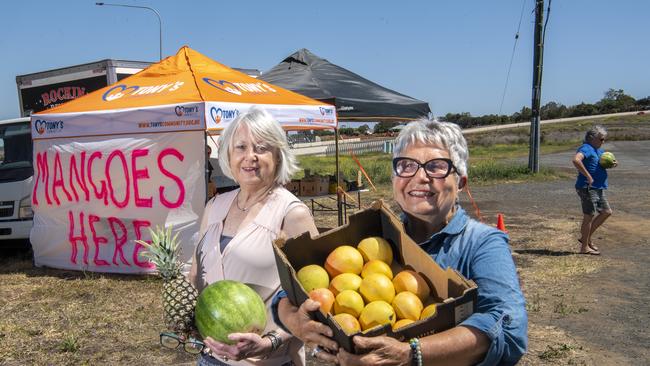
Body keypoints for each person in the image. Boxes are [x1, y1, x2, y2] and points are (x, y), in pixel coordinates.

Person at [273, 119, 528, 365]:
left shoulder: (482, 244)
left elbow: (509, 330)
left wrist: (411, 355)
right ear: (395, 179)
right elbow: (289, 293)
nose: (420, 177)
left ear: (460, 182)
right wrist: (295, 321)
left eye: (436, 166)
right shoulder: (375, 240)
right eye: (407, 165)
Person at [189, 107, 319, 366]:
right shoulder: (215, 206)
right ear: (228, 154)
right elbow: (196, 275)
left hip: (270, 361)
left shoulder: (291, 213)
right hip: (209, 359)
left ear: (278, 155)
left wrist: (270, 342)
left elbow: (317, 301)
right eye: (241, 147)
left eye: (261, 148)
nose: (251, 157)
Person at [572, 125, 614, 255]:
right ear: (592, 138)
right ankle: (584, 247)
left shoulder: (597, 150)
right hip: (587, 187)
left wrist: (612, 164)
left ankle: (586, 238)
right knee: (589, 216)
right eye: (601, 139)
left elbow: (600, 164)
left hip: (598, 188)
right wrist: (588, 176)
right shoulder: (586, 148)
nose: (603, 142)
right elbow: (576, 160)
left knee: (606, 212)